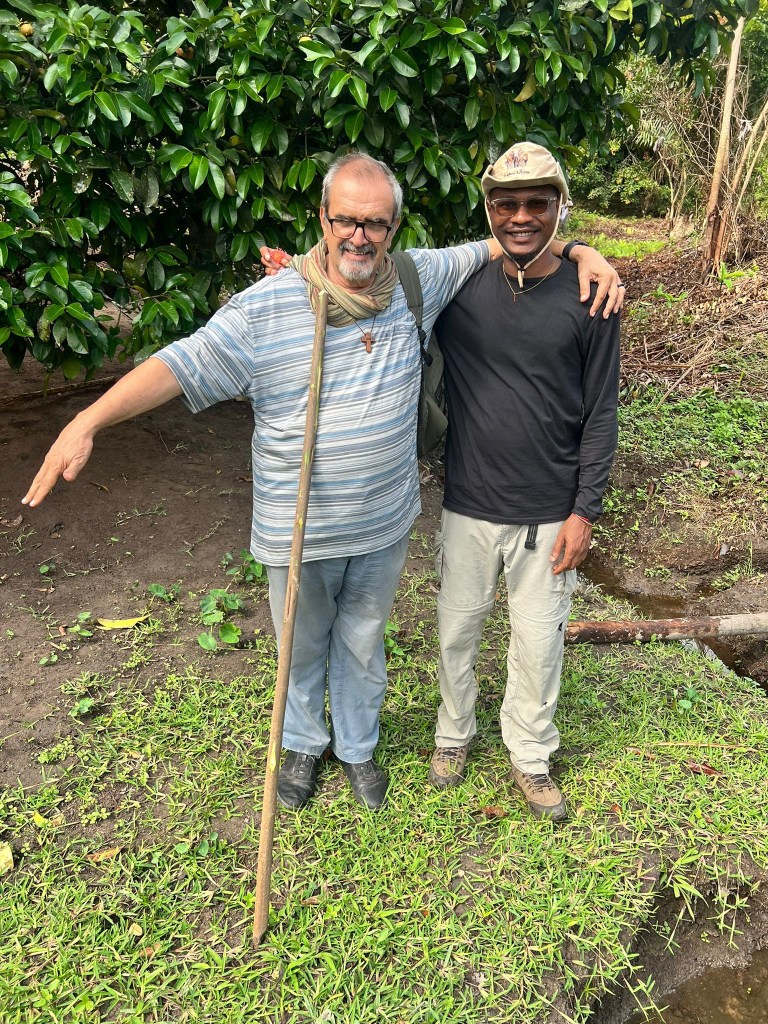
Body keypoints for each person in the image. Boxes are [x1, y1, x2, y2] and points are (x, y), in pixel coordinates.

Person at [23, 152, 620, 814]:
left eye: (375, 223)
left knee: (363, 644)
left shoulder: (416, 281)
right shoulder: (270, 306)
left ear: (393, 228)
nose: (359, 236)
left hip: (383, 523)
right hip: (299, 526)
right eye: (346, 221)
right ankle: (304, 745)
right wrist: (89, 420)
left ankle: (359, 747)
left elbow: (509, 237)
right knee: (301, 647)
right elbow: (180, 363)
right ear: (323, 219)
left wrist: (581, 251)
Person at [426, 142, 621, 822]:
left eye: (538, 203)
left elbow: (601, 412)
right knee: (457, 631)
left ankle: (530, 753)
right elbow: (374, 281)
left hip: (549, 511)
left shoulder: (592, 296)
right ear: (488, 209)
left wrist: (585, 510)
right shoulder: (458, 287)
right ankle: (453, 734)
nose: (521, 216)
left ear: (559, 206)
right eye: (506, 203)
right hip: (468, 503)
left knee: (538, 645)